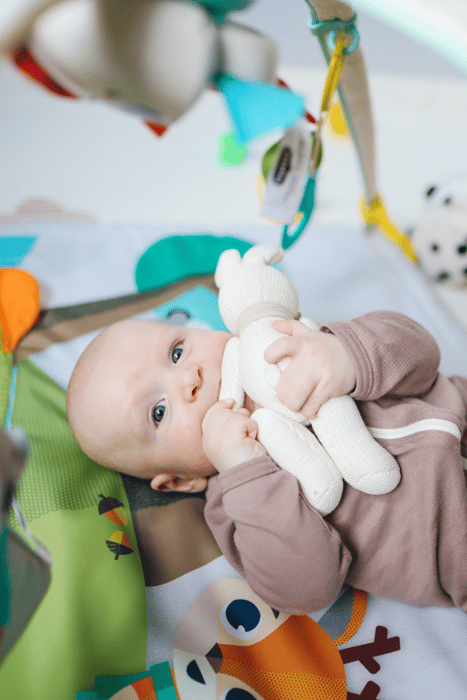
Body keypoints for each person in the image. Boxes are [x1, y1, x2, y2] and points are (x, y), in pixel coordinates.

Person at [66, 311, 467, 614]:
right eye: (158, 412)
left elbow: (422, 354)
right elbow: (309, 587)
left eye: (177, 351)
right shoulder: (240, 507)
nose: (190, 378)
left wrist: (346, 353)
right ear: (178, 482)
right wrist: (247, 471)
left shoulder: (291, 347)